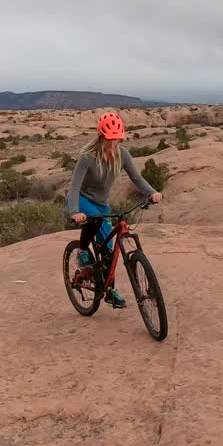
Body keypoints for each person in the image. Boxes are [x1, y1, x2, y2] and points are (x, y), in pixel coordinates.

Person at [66, 111, 162, 308]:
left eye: (117, 138)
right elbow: (74, 187)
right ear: (101, 135)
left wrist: (152, 192)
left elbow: (136, 178)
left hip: (102, 202)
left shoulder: (122, 154)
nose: (113, 142)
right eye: (110, 138)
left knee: (110, 251)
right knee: (95, 219)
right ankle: (82, 250)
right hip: (83, 199)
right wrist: (74, 211)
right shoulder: (87, 157)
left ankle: (110, 292)